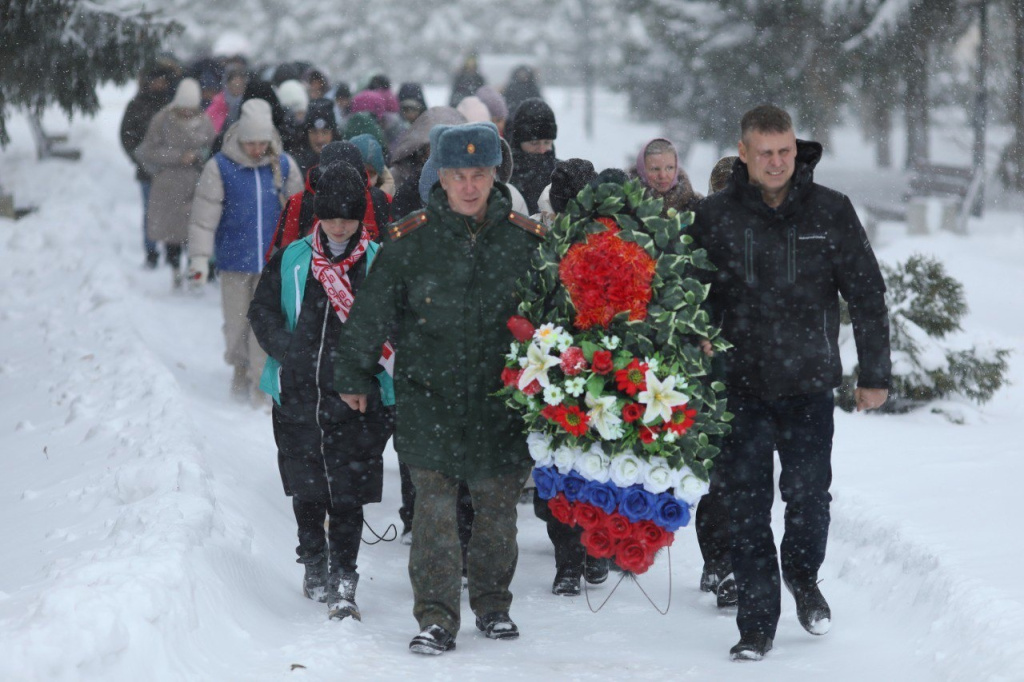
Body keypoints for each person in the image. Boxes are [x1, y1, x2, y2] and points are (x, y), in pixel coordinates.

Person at [333, 122, 546, 655]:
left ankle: (493, 605)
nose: (469, 186)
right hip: (430, 397)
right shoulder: (411, 239)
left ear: (495, 175)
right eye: (458, 175)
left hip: (501, 399)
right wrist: (354, 374)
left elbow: (555, 317)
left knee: (497, 511)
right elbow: (372, 310)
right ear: (440, 178)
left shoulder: (527, 242)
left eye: (479, 174)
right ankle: (435, 616)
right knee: (433, 512)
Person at [688, 104, 891, 662]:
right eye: (766, 152)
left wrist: (874, 374)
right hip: (740, 386)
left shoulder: (829, 210)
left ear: (795, 150)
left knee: (808, 499)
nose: (778, 162)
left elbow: (867, 295)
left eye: (786, 151)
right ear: (745, 153)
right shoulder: (715, 217)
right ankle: (756, 624)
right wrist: (699, 339)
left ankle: (803, 576)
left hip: (807, 385)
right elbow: (689, 295)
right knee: (747, 508)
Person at [248, 162, 394, 621]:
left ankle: (344, 577)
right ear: (318, 215)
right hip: (299, 396)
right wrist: (289, 351)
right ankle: (313, 559)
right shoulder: (293, 258)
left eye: (348, 218)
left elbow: (394, 325)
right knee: (308, 490)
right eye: (331, 217)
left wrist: (367, 375)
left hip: (356, 399)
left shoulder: (377, 261)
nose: (339, 226)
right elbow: (263, 310)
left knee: (347, 493)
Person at [187, 98, 304, 405]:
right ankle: (239, 367)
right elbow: (203, 217)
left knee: (264, 328)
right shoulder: (220, 167)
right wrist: (199, 257)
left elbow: (300, 213)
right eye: (250, 142)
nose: (256, 149)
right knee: (237, 323)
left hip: (273, 265)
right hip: (234, 260)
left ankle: (260, 384)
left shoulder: (284, 166)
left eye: (262, 143)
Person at [694, 154, 741, 610]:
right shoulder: (703, 231)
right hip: (714, 372)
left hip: (757, 372)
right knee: (722, 475)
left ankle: (730, 561)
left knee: (743, 478)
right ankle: (721, 563)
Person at [133, 78, 216, 288]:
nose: (187, 112)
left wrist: (199, 156)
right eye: (184, 108)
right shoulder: (161, 119)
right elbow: (148, 151)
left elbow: (212, 148)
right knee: (172, 233)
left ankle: (195, 275)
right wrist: (178, 156)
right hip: (168, 186)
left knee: (195, 233)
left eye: (191, 108)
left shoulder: (205, 121)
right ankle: (175, 271)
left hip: (196, 184)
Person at [120, 63, 175, 268]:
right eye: (156, 80)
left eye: (163, 81)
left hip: (172, 171)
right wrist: (141, 158)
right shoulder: (137, 105)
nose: (159, 84)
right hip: (147, 171)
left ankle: (172, 250)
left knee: (172, 212)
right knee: (151, 212)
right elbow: (126, 136)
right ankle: (151, 252)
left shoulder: (173, 105)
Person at [508, 97, 559, 215]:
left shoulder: (562, 174)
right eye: (534, 143)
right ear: (518, 142)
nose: (542, 150)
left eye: (547, 142)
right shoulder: (506, 175)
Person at [633, 138, 701, 218]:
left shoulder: (695, 205)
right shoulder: (623, 204)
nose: (662, 175)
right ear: (642, 170)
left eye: (670, 168)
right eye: (655, 169)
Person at [292, 98, 340, 179]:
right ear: (306, 134)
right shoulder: (295, 164)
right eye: (314, 132)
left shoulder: (342, 162)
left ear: (333, 133)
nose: (319, 139)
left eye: (325, 132)